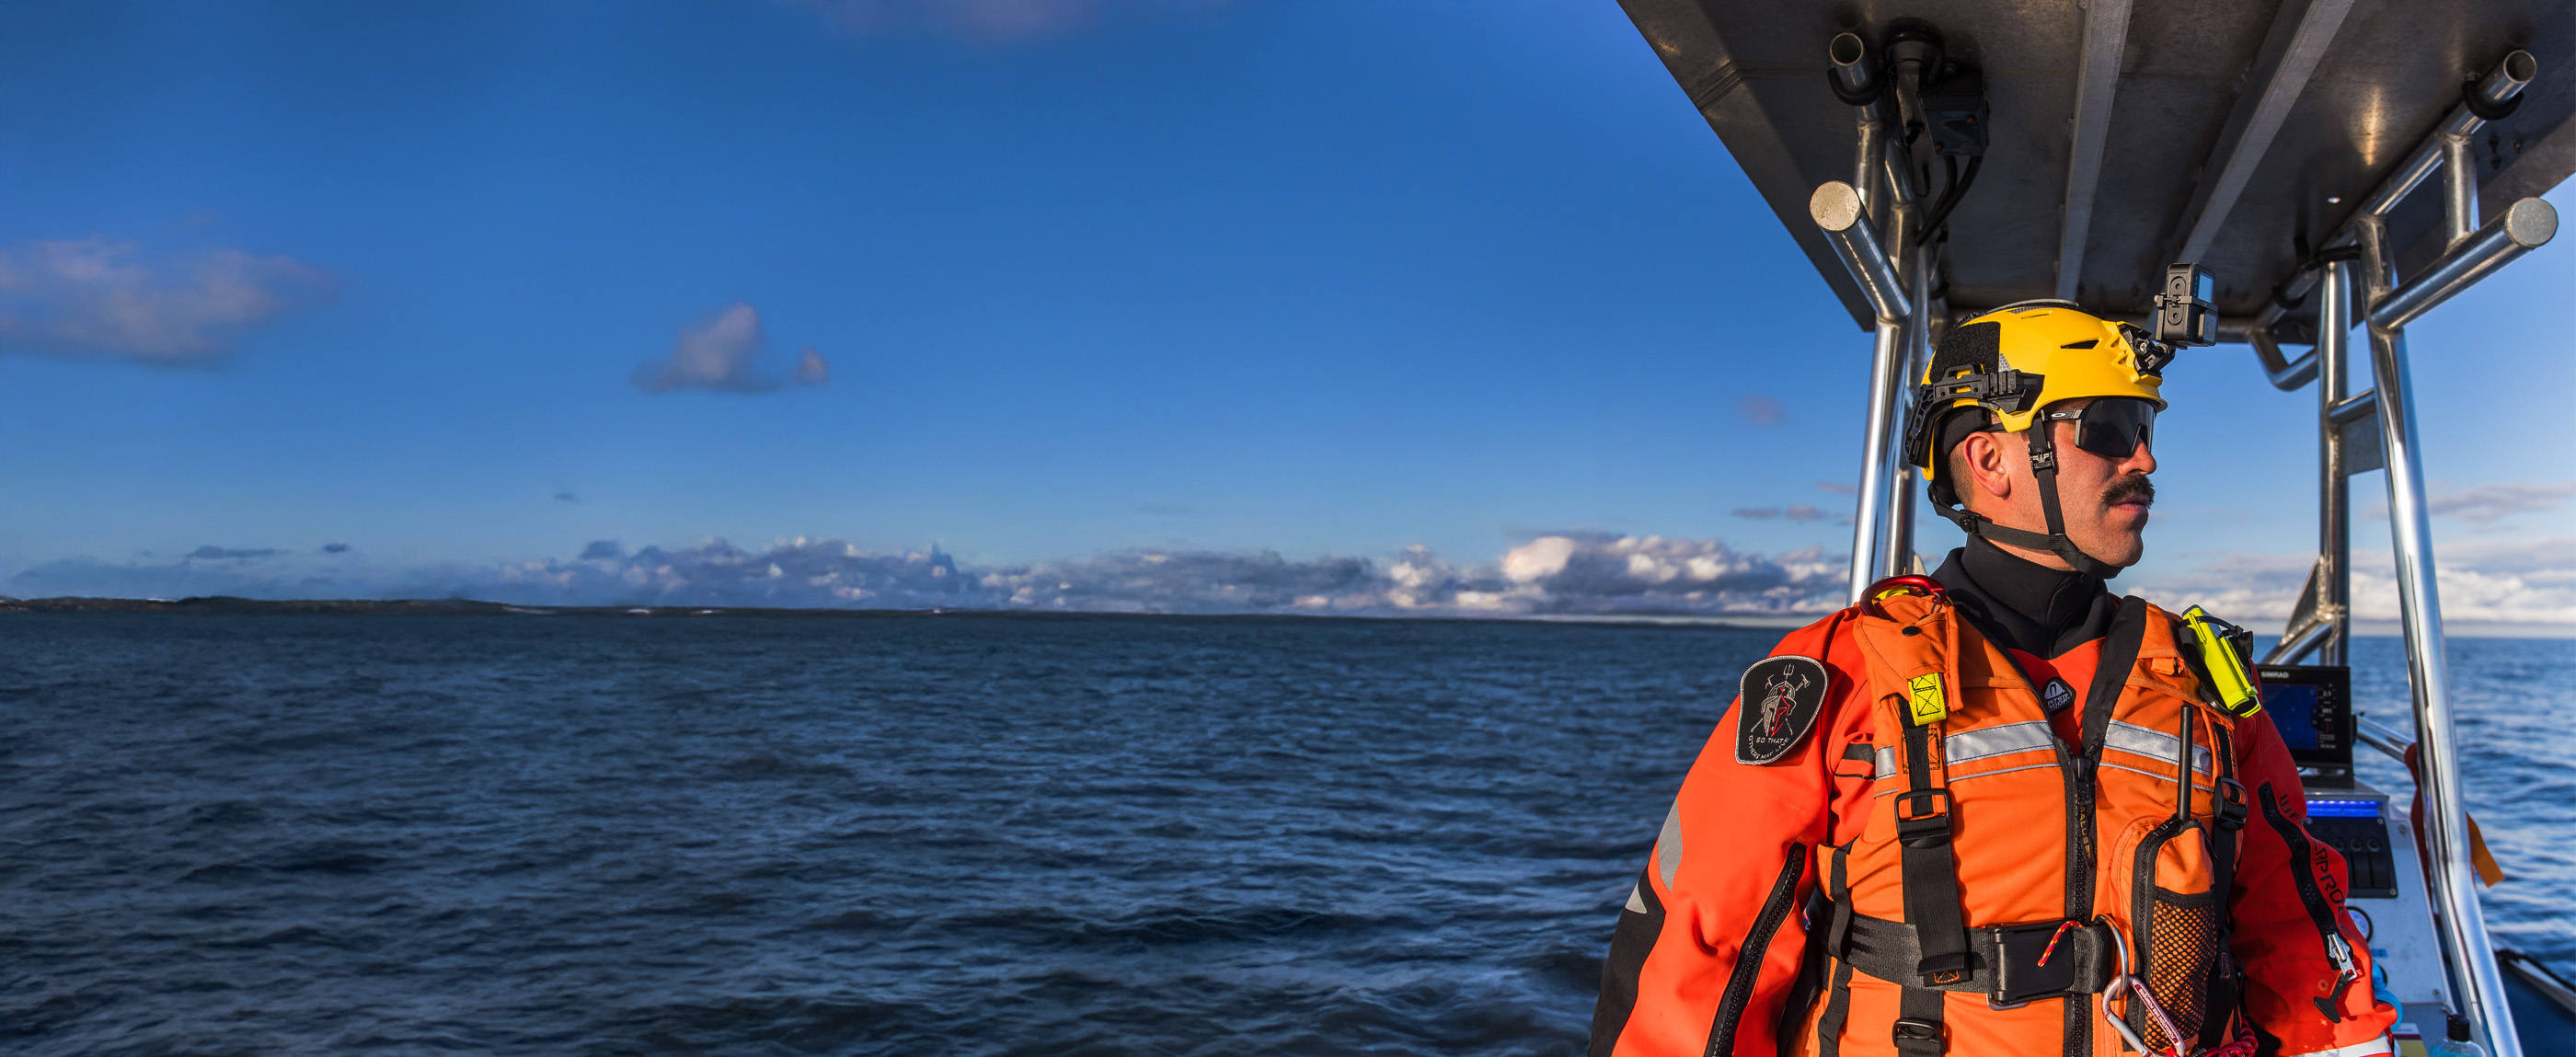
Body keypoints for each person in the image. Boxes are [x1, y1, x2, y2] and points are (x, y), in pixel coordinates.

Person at [1586, 301, 2398, 1057]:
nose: (2145, 458)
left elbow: (2300, 933)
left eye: (2144, 426)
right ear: (1991, 458)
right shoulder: (1841, 672)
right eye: (2110, 428)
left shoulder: (2205, 681)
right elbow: (1701, 942)